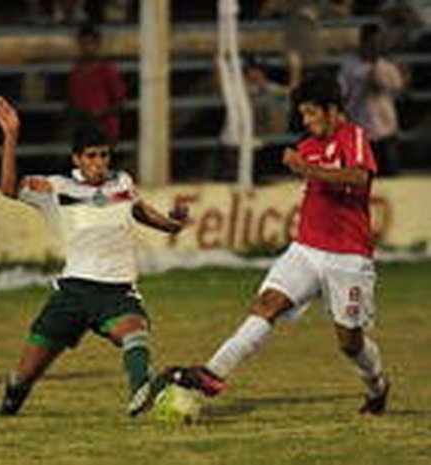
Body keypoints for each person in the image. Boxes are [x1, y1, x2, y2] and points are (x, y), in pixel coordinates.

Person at [160, 73, 390, 416]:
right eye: (304, 115)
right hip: (306, 249)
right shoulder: (307, 145)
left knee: (349, 341)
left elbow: (359, 177)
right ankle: (212, 374)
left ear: (332, 110)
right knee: (267, 304)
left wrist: (308, 169)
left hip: (348, 257)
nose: (307, 121)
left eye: (312, 113)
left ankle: (377, 385)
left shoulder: (352, 137)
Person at [0, 96, 188, 417]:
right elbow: (8, 187)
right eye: (92, 156)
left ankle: (142, 393)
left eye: (104, 155)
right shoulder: (57, 188)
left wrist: (172, 224)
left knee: (135, 334)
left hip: (117, 289)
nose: (99, 162)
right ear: (77, 159)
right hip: (73, 292)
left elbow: (139, 211)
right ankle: (5, 410)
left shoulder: (122, 182)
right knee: (26, 373)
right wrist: (11, 136)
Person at [339, 24, 405, 176]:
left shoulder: (387, 67)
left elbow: (400, 90)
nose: (377, 45)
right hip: (361, 132)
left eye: (380, 41)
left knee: (392, 179)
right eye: (374, 41)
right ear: (365, 42)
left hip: (386, 130)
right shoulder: (349, 66)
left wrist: (381, 82)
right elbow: (342, 94)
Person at [67, 23, 126, 144]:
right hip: (83, 131)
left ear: (98, 44)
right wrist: (83, 115)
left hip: (106, 131)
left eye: (90, 43)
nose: (87, 48)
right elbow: (71, 103)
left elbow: (120, 103)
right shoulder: (76, 72)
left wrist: (100, 114)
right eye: (83, 44)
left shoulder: (108, 70)